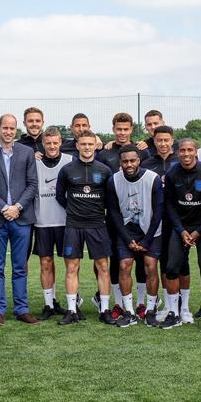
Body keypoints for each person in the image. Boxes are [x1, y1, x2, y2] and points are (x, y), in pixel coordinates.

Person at [0, 113, 39, 325]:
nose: (8, 132)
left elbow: (32, 184)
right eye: (5, 128)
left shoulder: (27, 152)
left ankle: (21, 309)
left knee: (20, 266)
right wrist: (4, 208)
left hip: (21, 218)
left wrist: (17, 207)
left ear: (16, 130)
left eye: (12, 128)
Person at [55, 131, 114, 325]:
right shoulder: (67, 170)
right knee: (72, 267)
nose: (87, 147)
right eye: (83, 144)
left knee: (103, 267)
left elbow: (110, 199)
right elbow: (59, 195)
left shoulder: (104, 171)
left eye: (90, 144)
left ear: (95, 145)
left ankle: (104, 309)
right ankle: (71, 310)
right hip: (74, 225)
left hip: (97, 224)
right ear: (77, 146)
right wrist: (74, 209)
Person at [107, 144, 163, 327]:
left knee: (151, 265)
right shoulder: (113, 181)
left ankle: (151, 310)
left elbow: (158, 211)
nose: (129, 164)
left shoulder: (153, 179)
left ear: (139, 160)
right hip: (127, 229)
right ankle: (129, 311)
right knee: (124, 265)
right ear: (120, 162)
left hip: (151, 229)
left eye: (132, 160)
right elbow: (114, 212)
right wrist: (126, 238)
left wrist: (147, 239)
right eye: (125, 161)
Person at [161, 138, 201, 329]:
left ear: (195, 152)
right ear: (177, 152)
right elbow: (169, 205)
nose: (186, 154)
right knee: (172, 267)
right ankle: (174, 313)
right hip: (181, 228)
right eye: (182, 150)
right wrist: (181, 230)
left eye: (189, 150)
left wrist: (198, 231)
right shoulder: (172, 174)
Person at [95, 112, 137, 316]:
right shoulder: (104, 153)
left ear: (131, 129)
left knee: (137, 260)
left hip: (136, 216)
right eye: (118, 129)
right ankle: (118, 302)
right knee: (112, 257)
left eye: (125, 129)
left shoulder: (140, 151)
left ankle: (141, 302)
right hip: (111, 215)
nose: (122, 133)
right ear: (113, 129)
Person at [33, 127, 73, 320]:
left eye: (55, 142)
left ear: (60, 143)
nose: (51, 146)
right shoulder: (35, 162)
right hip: (43, 222)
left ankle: (73, 304)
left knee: (70, 264)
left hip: (66, 222)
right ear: (43, 143)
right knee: (45, 263)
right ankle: (49, 304)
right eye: (48, 143)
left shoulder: (69, 161)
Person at [140, 125, 179, 315]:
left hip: (176, 220)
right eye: (159, 140)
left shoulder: (180, 161)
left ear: (172, 141)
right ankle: (156, 304)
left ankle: (175, 306)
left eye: (166, 140)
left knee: (172, 264)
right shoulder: (146, 164)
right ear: (153, 141)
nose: (163, 144)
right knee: (153, 263)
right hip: (152, 220)